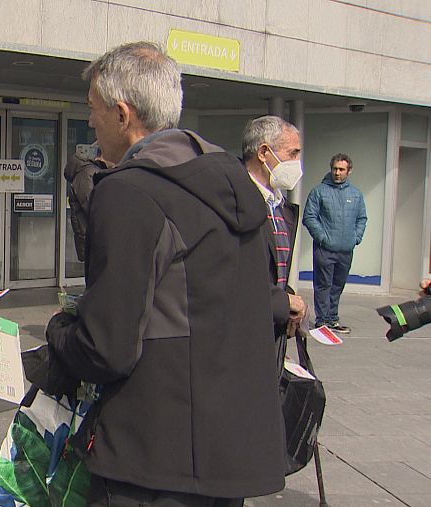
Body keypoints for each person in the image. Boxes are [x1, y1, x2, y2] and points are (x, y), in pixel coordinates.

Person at [45, 42, 285, 506]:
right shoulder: (235, 184)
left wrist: (59, 331)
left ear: (122, 113)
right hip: (228, 453)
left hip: (152, 458)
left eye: (93, 111)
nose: (90, 124)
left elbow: (106, 347)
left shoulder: (127, 193)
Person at [241, 115, 308, 371]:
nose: (297, 163)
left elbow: (274, 271)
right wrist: (283, 303)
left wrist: (289, 304)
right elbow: (239, 278)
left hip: (272, 334)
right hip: (242, 337)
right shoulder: (236, 202)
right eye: (292, 153)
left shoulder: (281, 207)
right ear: (264, 152)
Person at [303, 153, 367, 333]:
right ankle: (322, 321)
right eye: (335, 169)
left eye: (341, 169)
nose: (337, 173)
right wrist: (323, 238)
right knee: (323, 285)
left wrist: (356, 238)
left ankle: (332, 319)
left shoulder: (355, 194)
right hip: (325, 250)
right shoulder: (319, 191)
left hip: (346, 250)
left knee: (337, 285)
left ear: (349, 171)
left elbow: (362, 218)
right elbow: (309, 217)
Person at [64, 142, 110, 262]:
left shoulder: (93, 171)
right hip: (91, 235)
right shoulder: (87, 173)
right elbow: (90, 204)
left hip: (92, 234)